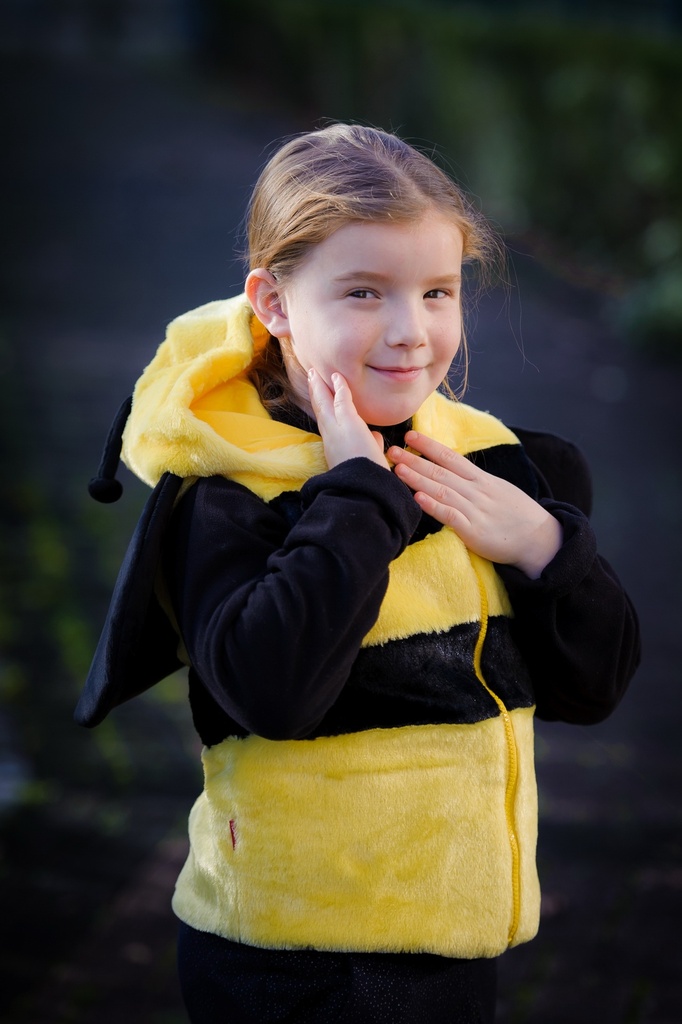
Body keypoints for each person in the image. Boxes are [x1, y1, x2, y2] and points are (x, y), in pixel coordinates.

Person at [77, 123, 640, 1023]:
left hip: (453, 941)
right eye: (364, 292)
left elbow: (595, 686)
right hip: (294, 957)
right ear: (274, 302)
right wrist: (356, 500)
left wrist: (546, 548)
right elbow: (274, 691)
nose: (410, 332)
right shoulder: (229, 493)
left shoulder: (490, 462)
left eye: (438, 292)